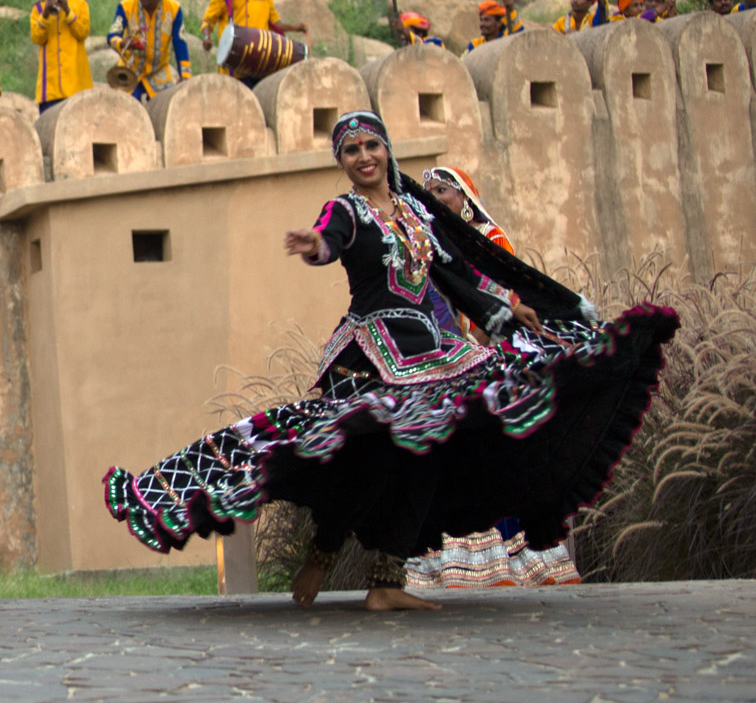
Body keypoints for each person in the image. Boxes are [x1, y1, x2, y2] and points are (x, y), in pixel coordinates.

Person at [104, 110, 677, 611]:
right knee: (364, 452)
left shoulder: (414, 214)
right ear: (343, 161)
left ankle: (386, 580)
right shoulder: (347, 210)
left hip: (432, 350)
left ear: (387, 150)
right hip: (372, 355)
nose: (363, 156)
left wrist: (507, 310)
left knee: (428, 453)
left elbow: (452, 277)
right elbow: (333, 238)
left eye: (371, 146)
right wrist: (316, 248)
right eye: (351, 151)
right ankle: (323, 555)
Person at [405, 165, 580, 591]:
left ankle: (513, 561)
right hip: (449, 363)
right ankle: (459, 563)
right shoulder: (432, 244)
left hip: (490, 360)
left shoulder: (490, 240)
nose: (436, 197)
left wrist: (474, 343)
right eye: (430, 192)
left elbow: (503, 298)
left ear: (465, 198)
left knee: (495, 453)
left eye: (443, 190)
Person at [108, 0, 192, 99]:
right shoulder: (126, 6)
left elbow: (180, 43)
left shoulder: (174, 9)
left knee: (168, 107)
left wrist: (185, 77)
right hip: (130, 71)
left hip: (159, 73)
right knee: (125, 109)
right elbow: (112, 36)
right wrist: (123, 43)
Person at [29, 0, 92, 110]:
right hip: (49, 90)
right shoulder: (38, 8)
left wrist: (67, 11)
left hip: (76, 86)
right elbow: (37, 38)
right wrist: (45, 15)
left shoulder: (80, 4)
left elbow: (82, 33)